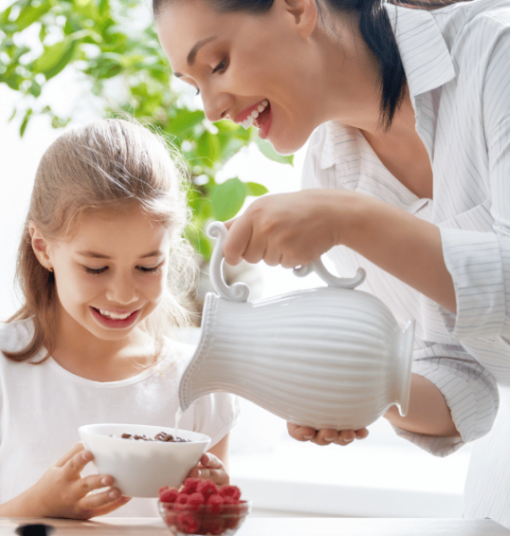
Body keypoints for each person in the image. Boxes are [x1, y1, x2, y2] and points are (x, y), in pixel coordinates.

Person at [154, 0, 510, 525]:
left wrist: (352, 220)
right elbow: (465, 384)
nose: (211, 109)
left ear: (297, 9)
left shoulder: (496, 54)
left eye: (218, 64)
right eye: (193, 87)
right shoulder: (328, 171)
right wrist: (361, 385)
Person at [0, 119, 240, 519]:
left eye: (147, 267)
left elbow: (207, 525)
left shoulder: (200, 382)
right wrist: (37, 506)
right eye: (96, 268)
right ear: (43, 247)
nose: (123, 295)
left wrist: (212, 510)